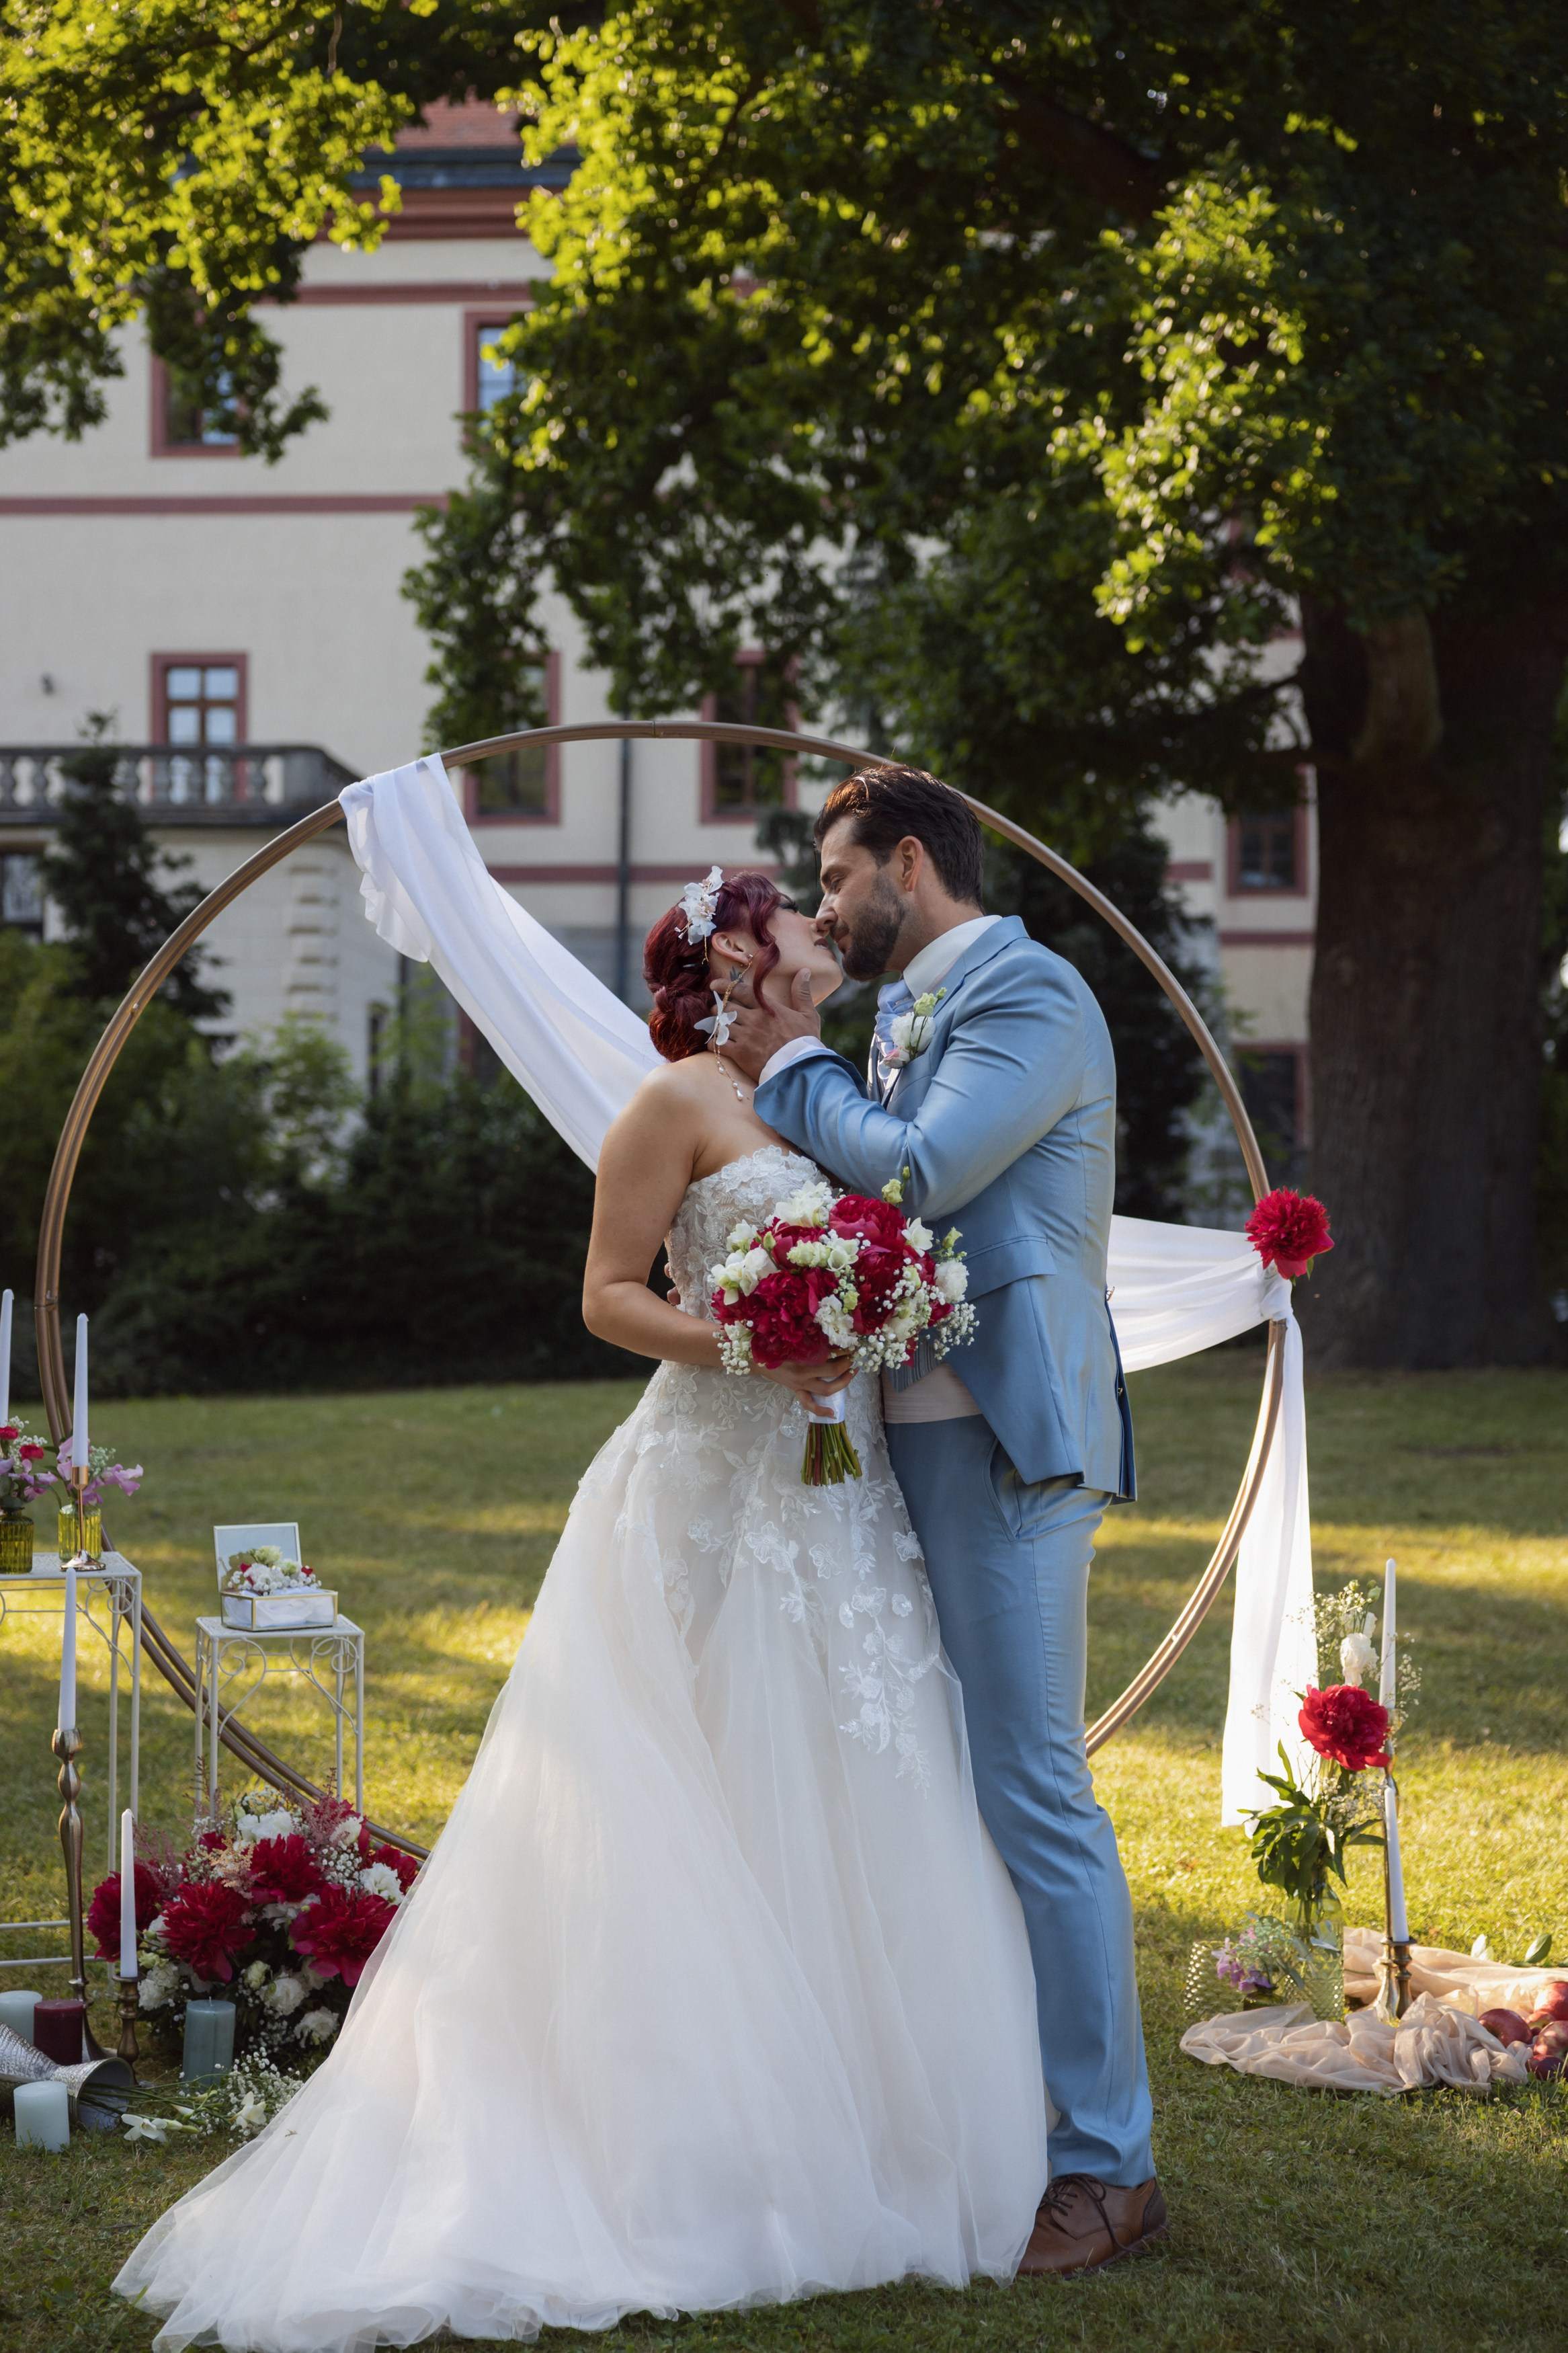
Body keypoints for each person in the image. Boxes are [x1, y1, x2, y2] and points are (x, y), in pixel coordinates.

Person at [114, 868, 1050, 2352]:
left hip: (838, 1491)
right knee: (689, 1781)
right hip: (707, 1485)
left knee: (848, 1764)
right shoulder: (672, 1103)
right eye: (798, 913)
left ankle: (870, 2116)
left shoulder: (838, 1097)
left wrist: (875, 1315)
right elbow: (610, 1293)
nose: (825, 925)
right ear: (738, 953)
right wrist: (747, 1342)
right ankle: (680, 2135)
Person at [722, 766, 1163, 2277]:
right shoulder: (910, 1013)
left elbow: (918, 1169)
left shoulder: (1028, 993)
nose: (826, 903)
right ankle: (989, 2111)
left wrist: (790, 1063)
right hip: (907, 1439)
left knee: (1033, 1789)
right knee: (947, 1785)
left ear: (909, 862)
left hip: (1007, 1442)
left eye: (837, 876)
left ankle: (1109, 2165)